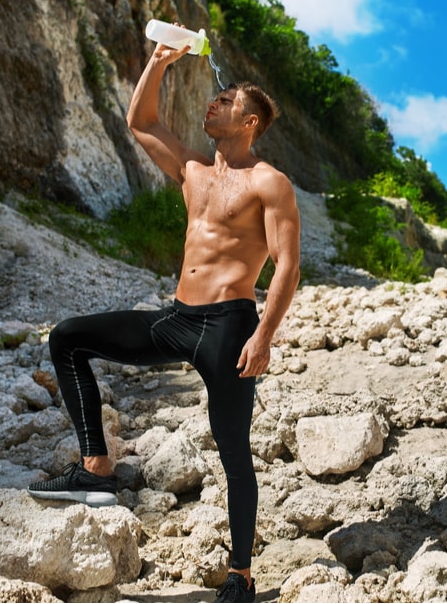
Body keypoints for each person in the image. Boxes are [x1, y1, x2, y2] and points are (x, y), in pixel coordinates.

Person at [27, 37, 301, 604]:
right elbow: (140, 119)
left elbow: (287, 266)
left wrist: (264, 335)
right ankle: (95, 467)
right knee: (69, 339)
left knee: (232, 447)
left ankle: (241, 575)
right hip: (176, 317)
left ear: (249, 121)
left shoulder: (268, 183)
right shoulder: (194, 170)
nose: (211, 105)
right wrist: (160, 59)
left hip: (228, 326)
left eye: (223, 100)